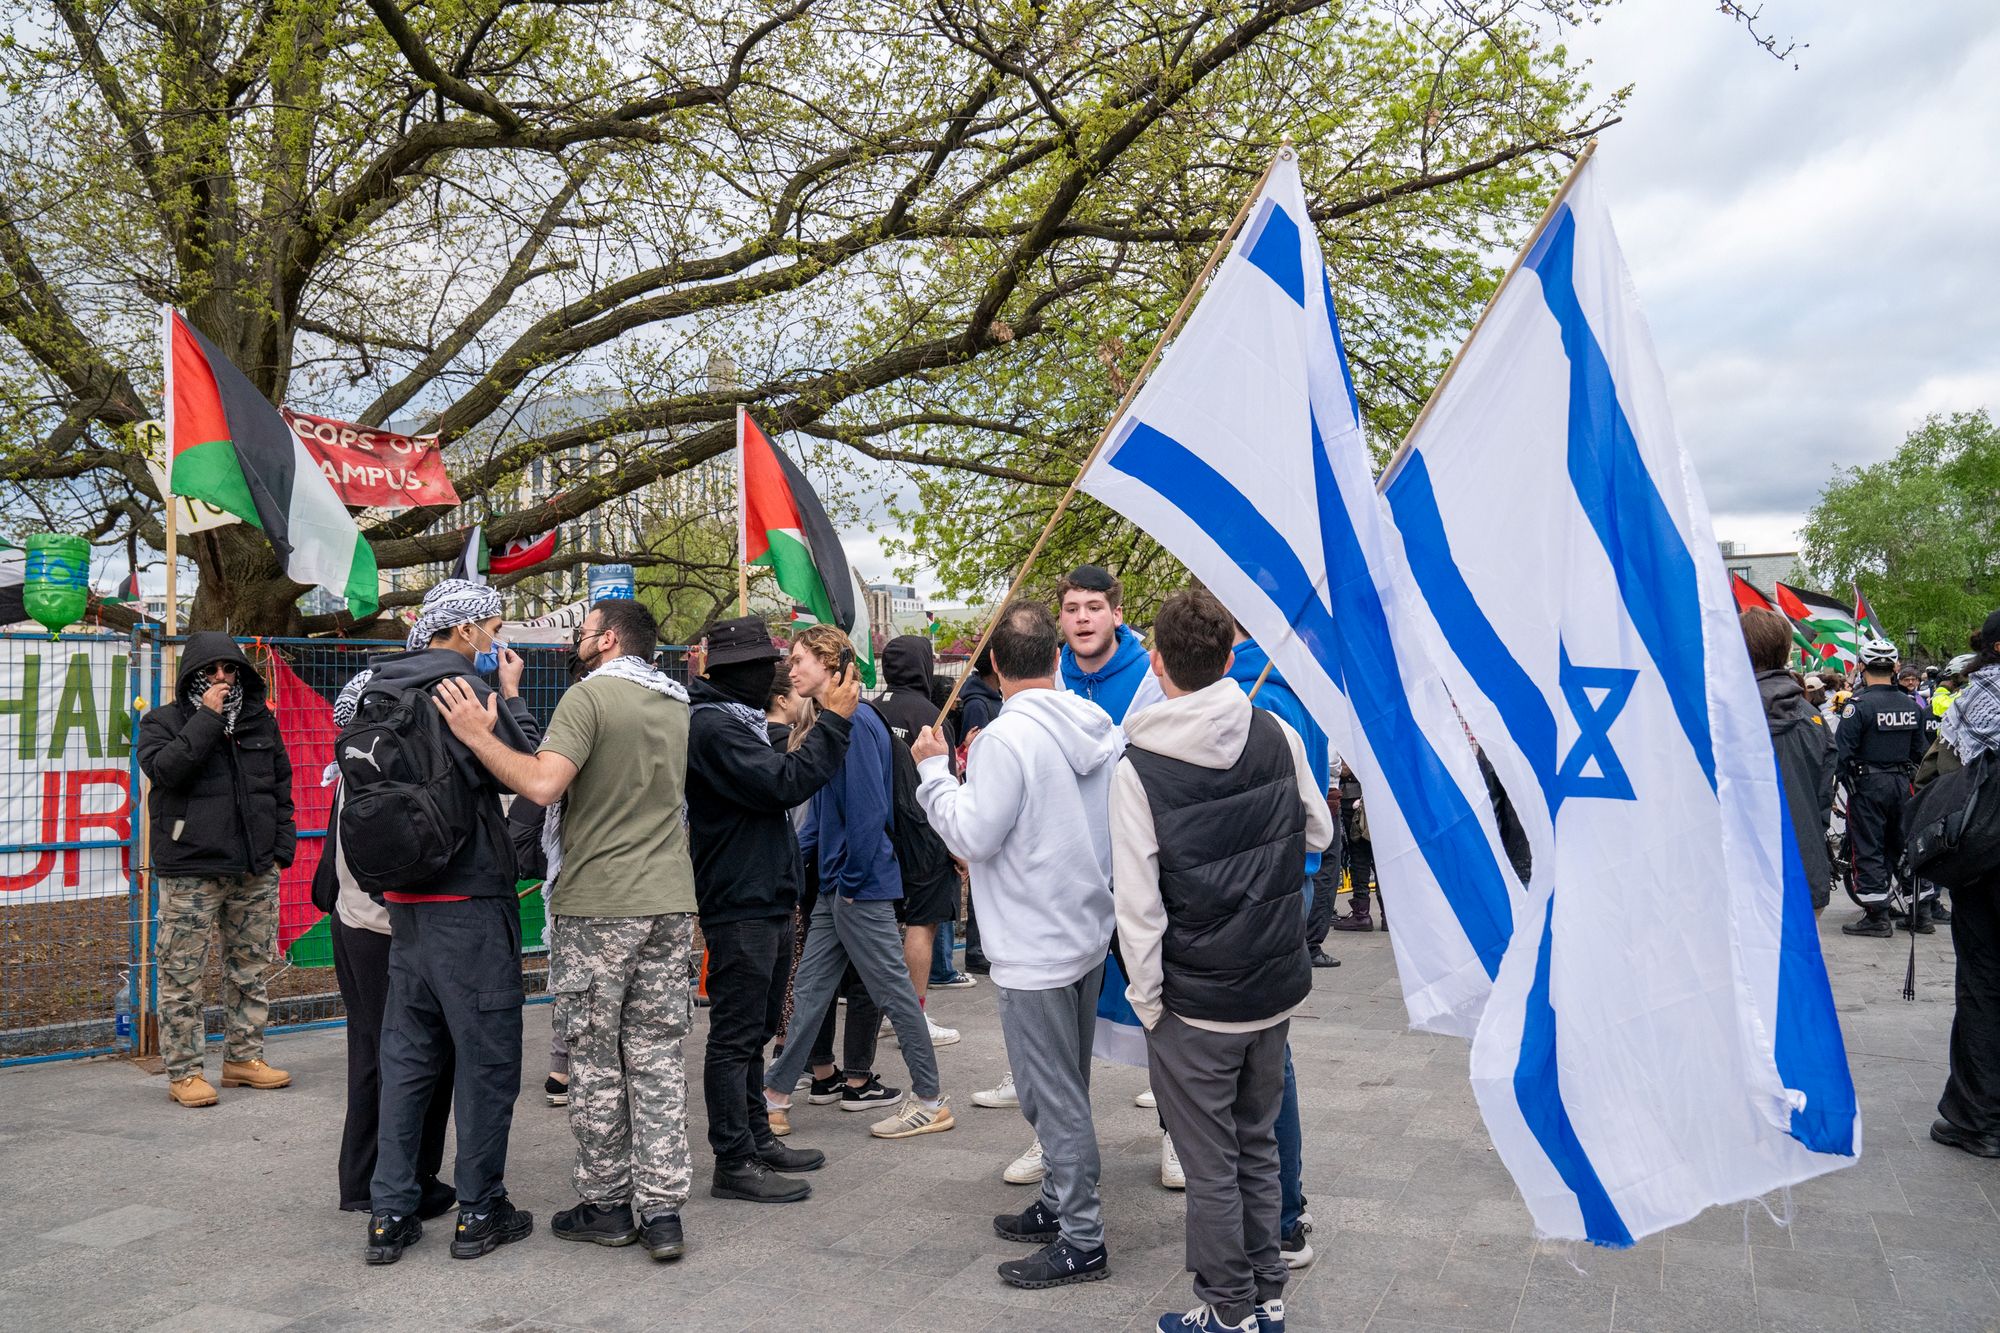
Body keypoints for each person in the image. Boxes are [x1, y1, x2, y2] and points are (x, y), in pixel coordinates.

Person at [435, 597, 697, 1262]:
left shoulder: (589, 699)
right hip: (670, 898)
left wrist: (476, 734)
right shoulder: (673, 701)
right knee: (659, 1058)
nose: (575, 642)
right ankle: (663, 1211)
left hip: (599, 904)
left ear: (607, 639)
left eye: (581, 633)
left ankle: (606, 1204)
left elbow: (546, 784)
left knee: (595, 1060)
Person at [1109, 589, 1336, 1333]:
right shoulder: (1275, 729)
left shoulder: (1136, 766)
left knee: (1210, 1165)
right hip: (1271, 984)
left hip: (1195, 999)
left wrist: (1147, 1003)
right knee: (1257, 1145)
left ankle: (1229, 1309)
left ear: (1158, 660)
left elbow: (1137, 908)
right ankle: (1264, 1293)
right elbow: (1318, 827)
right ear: (1230, 653)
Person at [912, 599, 1123, 1290]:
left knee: (1050, 1095)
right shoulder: (1096, 725)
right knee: (1065, 1085)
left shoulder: (1008, 739)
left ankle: (1083, 1236)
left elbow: (973, 837)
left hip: (1036, 941)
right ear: (1058, 655)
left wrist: (934, 774)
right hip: (1085, 928)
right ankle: (1063, 1200)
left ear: (995, 664)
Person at [350, 579, 540, 1265]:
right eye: (493, 627)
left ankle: (390, 1212)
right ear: (463, 632)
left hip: (404, 903)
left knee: (408, 1060)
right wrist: (510, 698)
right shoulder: (463, 688)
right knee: (487, 1061)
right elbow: (531, 769)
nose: (498, 640)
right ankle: (479, 1208)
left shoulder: (373, 687)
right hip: (469, 904)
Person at [684, 615, 857, 1203]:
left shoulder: (739, 721)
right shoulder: (713, 727)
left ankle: (756, 1137)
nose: (777, 677)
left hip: (766, 894)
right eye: (767, 669)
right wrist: (833, 722)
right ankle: (733, 1159)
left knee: (757, 1029)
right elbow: (784, 784)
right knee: (734, 1035)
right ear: (743, 675)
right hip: (740, 899)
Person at [762, 624, 955, 1141]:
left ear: (830, 664)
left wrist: (847, 880)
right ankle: (775, 1095)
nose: (793, 667)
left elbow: (869, 812)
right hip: (842, 886)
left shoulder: (859, 723)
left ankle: (931, 1099)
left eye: (801, 658)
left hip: (856, 887)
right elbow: (828, 816)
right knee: (810, 992)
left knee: (890, 991)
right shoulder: (837, 721)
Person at [137, 633, 296, 1108]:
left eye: (230, 670)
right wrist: (208, 717)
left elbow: (282, 790)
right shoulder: (161, 722)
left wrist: (279, 849)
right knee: (181, 974)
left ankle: (243, 1060)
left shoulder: (258, 720)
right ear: (192, 675)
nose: (222, 679)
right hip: (191, 869)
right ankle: (183, 1072)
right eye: (211, 671)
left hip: (253, 868)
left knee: (250, 969)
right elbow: (168, 770)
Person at [324, 672, 453, 1219]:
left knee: (372, 1054)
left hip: (352, 924)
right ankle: (402, 1182)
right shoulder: (389, 764)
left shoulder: (354, 764)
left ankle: (362, 1180)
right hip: (384, 927)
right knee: (410, 1057)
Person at [1927, 611, 2000, 1158]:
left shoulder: (1974, 701)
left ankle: (1978, 1118)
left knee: (1983, 983)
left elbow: (1938, 783)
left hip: (1986, 867)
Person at [870, 633, 963, 1045]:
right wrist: (958, 846)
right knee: (922, 924)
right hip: (924, 832)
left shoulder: (869, 711)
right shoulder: (933, 716)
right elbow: (948, 784)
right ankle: (915, 1014)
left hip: (878, 832)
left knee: (882, 925)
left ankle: (882, 1011)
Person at [1741, 610, 1836, 915]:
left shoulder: (1721, 719)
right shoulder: (1815, 719)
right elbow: (1823, 799)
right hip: (1803, 867)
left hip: (1741, 871)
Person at [1835, 636, 1929, 937]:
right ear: (1895, 667)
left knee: (1868, 846)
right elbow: (1921, 752)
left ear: (1862, 666)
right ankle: (1921, 911)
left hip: (1867, 786)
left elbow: (1842, 753)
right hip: (1903, 785)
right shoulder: (1910, 705)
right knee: (1903, 844)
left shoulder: (1857, 707)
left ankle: (1877, 916)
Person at [1057, 563, 1165, 719]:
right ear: (1061, 618)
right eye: (1072, 609)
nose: (1081, 618)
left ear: (1116, 615)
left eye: (1094, 608)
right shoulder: (1050, 680)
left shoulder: (1154, 679)